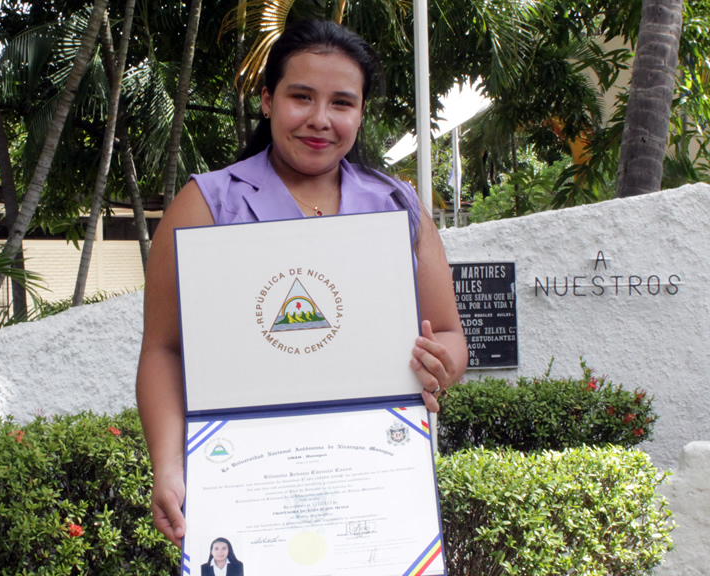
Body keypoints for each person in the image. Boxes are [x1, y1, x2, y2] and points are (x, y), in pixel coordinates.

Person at [136, 19, 468, 547]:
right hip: (244, 478)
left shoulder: (396, 207)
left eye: (341, 102)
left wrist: (439, 365)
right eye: (301, 97)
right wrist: (169, 464)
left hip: (372, 474)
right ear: (268, 100)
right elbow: (163, 349)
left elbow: (450, 334)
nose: (320, 120)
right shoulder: (207, 205)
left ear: (360, 113)